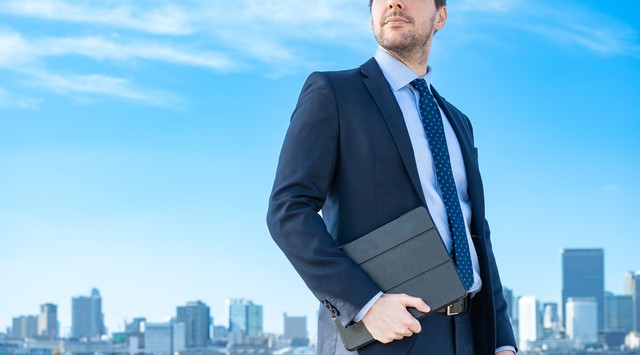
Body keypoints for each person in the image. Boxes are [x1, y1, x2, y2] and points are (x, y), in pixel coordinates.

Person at [267, 0, 517, 354]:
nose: (394, 2)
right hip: (383, 335)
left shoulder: (458, 122)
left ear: (440, 16)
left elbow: (476, 233)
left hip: (470, 335)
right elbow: (287, 210)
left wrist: (502, 340)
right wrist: (364, 303)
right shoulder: (334, 93)